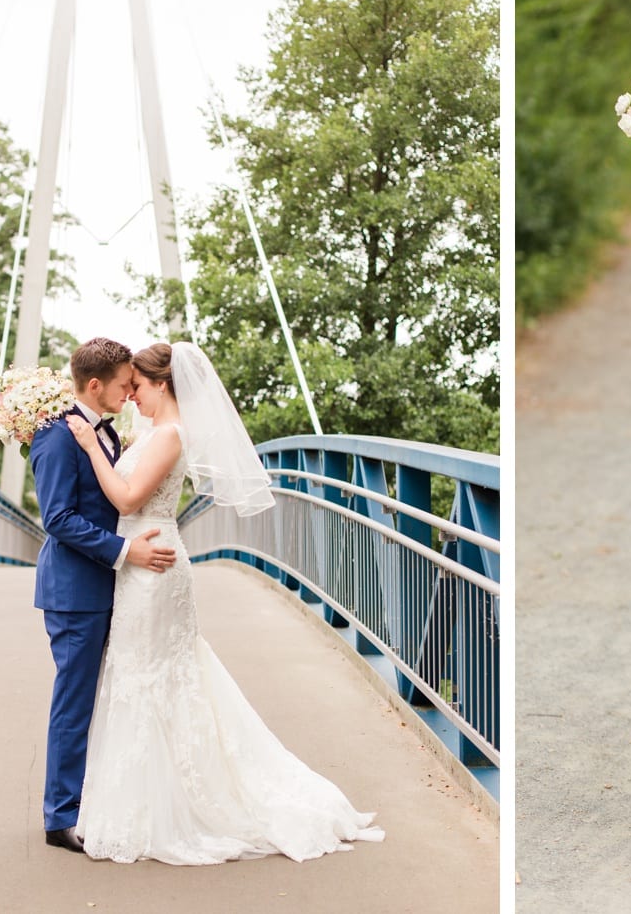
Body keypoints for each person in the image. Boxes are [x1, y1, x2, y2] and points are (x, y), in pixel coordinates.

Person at [62, 340, 384, 865]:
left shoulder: (169, 435)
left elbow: (126, 499)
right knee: (145, 675)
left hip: (155, 565)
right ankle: (143, 800)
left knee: (155, 675)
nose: (131, 397)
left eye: (137, 387)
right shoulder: (150, 431)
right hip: (139, 561)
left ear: (161, 384)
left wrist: (90, 444)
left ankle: (169, 808)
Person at [30, 336, 178, 854]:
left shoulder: (106, 431)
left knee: (101, 698)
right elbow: (57, 518)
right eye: (123, 385)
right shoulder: (55, 435)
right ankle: (59, 817)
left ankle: (90, 803)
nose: (129, 392)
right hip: (75, 591)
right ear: (95, 385)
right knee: (74, 702)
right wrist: (123, 552)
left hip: (110, 586)